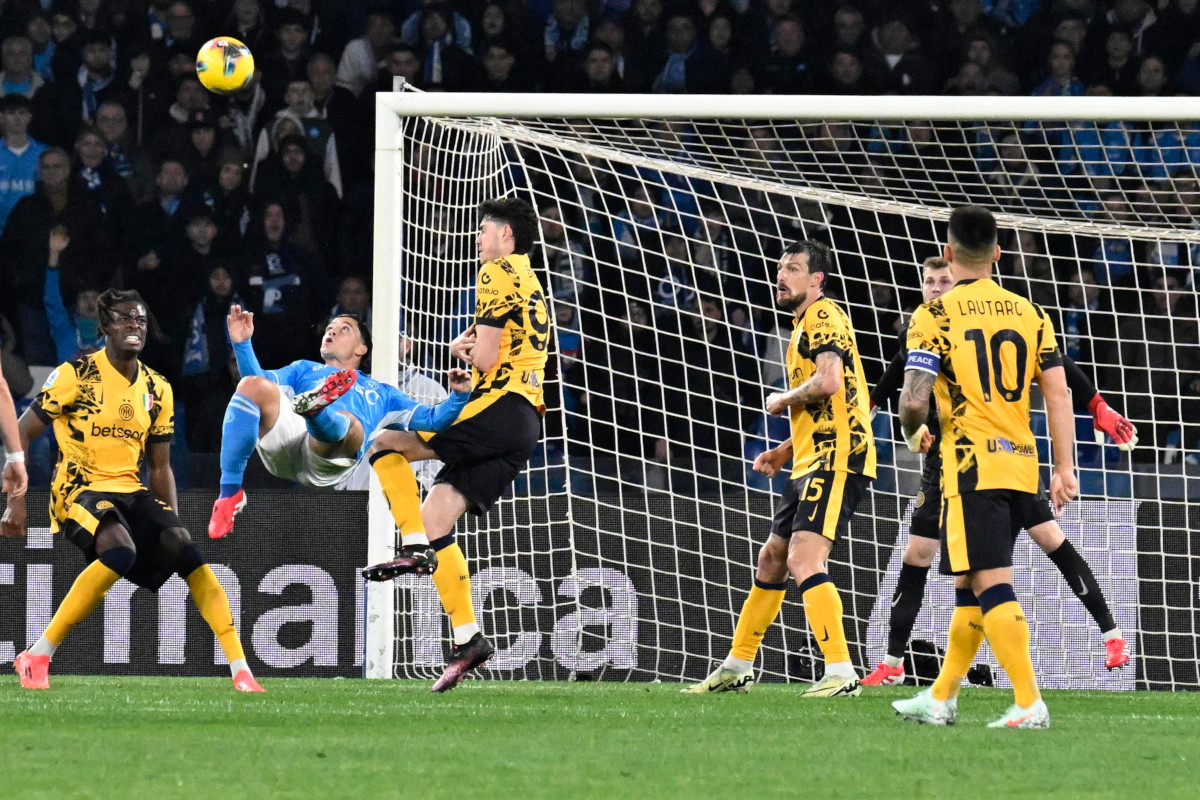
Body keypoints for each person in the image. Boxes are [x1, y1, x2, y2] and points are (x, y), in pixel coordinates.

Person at [863, 257, 1134, 687]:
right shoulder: (922, 328)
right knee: (928, 559)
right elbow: (896, 374)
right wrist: (871, 406)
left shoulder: (971, 323)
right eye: (929, 282)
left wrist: (1097, 404)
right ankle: (898, 664)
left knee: (1001, 567)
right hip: (953, 462)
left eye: (944, 280)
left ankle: (1095, 645)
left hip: (983, 459)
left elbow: (1059, 369)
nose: (936, 288)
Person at [2, 289, 262, 692]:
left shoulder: (158, 388)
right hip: (79, 488)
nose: (134, 326)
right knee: (120, 551)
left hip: (130, 489)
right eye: (124, 318)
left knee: (186, 550)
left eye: (140, 320)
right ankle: (38, 655)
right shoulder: (76, 373)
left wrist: (171, 524)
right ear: (105, 326)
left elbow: (159, 467)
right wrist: (15, 502)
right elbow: (22, 432)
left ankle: (241, 670)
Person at [892, 206, 1076, 729]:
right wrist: (1064, 467)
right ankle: (942, 696)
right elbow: (1058, 392)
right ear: (997, 253)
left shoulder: (934, 315)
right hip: (1021, 464)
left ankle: (1028, 700)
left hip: (971, 465)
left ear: (948, 256)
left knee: (990, 580)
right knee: (969, 583)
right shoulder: (1031, 312)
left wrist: (912, 433)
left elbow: (912, 399)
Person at [360, 197, 549, 693]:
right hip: (523, 424)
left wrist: (458, 350)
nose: (479, 239)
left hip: (501, 408)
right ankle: (469, 640)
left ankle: (414, 549)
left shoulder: (497, 271)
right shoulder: (530, 280)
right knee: (437, 517)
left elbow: (484, 357)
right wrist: (471, 353)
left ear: (507, 236)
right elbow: (501, 350)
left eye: (486, 230)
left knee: (384, 445)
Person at [682, 239, 876, 698]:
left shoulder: (824, 315)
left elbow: (828, 382)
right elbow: (844, 398)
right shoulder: (803, 323)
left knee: (803, 559)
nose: (781, 275)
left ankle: (841, 671)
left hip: (837, 458)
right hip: (810, 457)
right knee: (772, 558)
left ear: (816, 280)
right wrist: (786, 451)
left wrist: (782, 399)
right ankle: (737, 665)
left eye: (793, 268)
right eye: (779, 267)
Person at [207, 307, 472, 538]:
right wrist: (242, 344)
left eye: (344, 329)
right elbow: (257, 385)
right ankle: (229, 493)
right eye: (329, 329)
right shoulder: (303, 369)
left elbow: (433, 421)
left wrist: (459, 397)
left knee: (352, 424)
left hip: (328, 461)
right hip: (288, 444)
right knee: (251, 385)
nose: (331, 332)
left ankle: (318, 412)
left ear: (362, 349)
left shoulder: (383, 392)